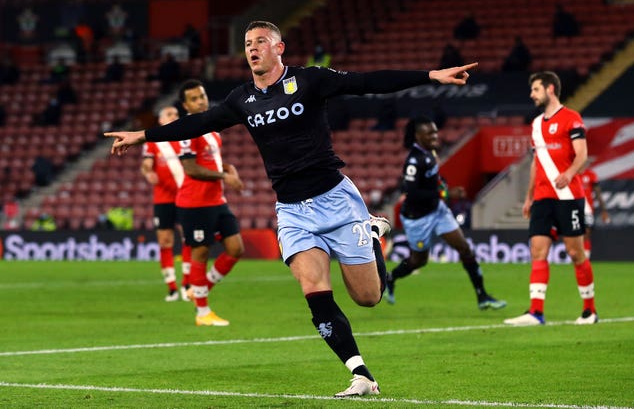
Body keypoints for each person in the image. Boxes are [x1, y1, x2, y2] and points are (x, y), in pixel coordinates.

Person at [105, 20, 478, 397]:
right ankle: (361, 375)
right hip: (293, 211)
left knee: (368, 298)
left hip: (336, 200)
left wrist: (431, 74)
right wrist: (142, 135)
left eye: (261, 41)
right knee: (314, 288)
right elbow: (199, 122)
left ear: (279, 48)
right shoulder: (241, 99)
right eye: (248, 43)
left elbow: (367, 82)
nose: (253, 48)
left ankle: (374, 231)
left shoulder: (311, 80)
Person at [504, 71, 597, 326]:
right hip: (543, 197)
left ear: (550, 89)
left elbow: (582, 154)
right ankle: (536, 312)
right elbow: (536, 162)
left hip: (568, 196)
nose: (532, 94)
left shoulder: (572, 119)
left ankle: (590, 311)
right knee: (538, 251)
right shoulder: (535, 125)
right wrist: (528, 196)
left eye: (535, 89)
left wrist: (568, 174)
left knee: (576, 253)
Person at [385, 116, 506, 310]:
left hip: (438, 211)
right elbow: (413, 193)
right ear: (418, 136)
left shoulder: (431, 153)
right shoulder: (413, 161)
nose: (435, 136)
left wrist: (443, 187)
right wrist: (446, 193)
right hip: (418, 218)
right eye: (429, 133)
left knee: (464, 248)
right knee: (418, 261)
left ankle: (482, 296)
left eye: (435, 131)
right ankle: (390, 278)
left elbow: (434, 177)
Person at [175, 79, 245, 327]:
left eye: (202, 96)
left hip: (216, 200)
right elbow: (191, 168)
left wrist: (229, 168)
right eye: (194, 99)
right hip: (194, 202)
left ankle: (199, 288)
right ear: (185, 105)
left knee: (236, 248)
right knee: (201, 252)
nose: (201, 101)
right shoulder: (186, 130)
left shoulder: (212, 128)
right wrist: (224, 176)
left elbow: (212, 161)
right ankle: (202, 313)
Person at [141, 105, 192, 302]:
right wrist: (148, 172)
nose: (174, 116)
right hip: (163, 199)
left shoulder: (186, 138)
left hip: (186, 197)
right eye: (170, 114)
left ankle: (187, 284)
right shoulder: (154, 141)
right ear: (161, 120)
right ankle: (171, 287)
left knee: (189, 239)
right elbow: (146, 164)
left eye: (176, 114)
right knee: (165, 241)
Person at [579, 162, 610, 259]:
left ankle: (586, 257)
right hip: (573, 207)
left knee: (587, 232)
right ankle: (577, 256)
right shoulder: (572, 174)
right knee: (575, 234)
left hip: (587, 209)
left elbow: (598, 194)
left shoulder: (590, 175)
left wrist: (604, 210)